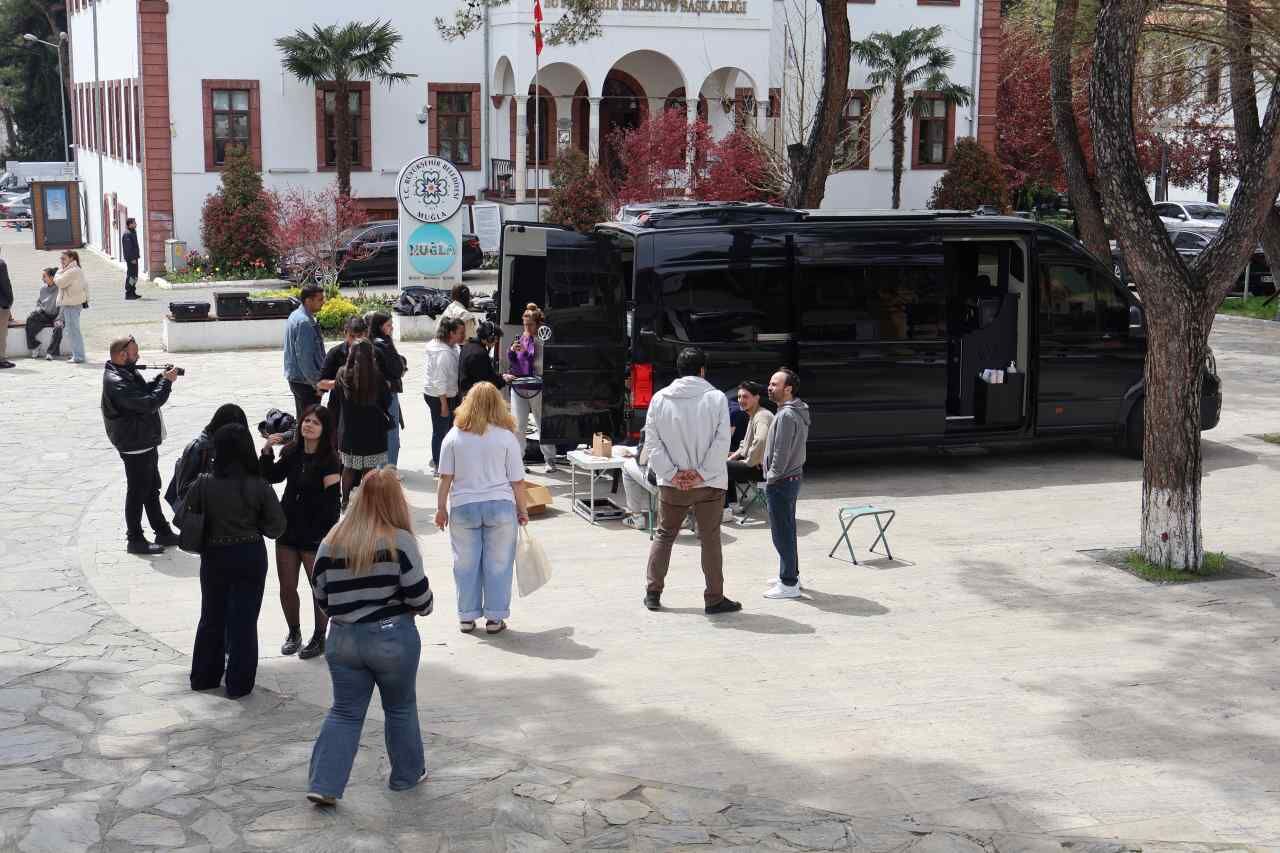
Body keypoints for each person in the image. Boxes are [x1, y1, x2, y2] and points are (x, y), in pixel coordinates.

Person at [308, 468, 433, 806]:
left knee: (345, 711)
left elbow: (321, 597)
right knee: (400, 707)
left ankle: (325, 783)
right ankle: (406, 776)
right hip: (392, 639)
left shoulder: (331, 541)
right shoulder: (400, 541)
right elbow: (420, 599)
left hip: (344, 639)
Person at [189, 423, 287, 698]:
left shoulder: (204, 483)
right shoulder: (258, 485)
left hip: (214, 555)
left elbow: (188, 517)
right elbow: (277, 527)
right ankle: (239, 684)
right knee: (243, 621)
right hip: (249, 555)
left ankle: (205, 676)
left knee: (211, 615)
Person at [641, 347, 740, 615]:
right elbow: (722, 441)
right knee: (710, 539)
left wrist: (673, 473)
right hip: (709, 483)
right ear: (702, 370)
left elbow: (652, 441)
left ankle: (653, 592)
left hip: (672, 484)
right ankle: (714, 598)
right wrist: (701, 474)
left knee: (664, 535)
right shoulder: (716, 398)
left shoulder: (660, 398)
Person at [434, 382, 529, 635]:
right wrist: (523, 510)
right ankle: (495, 618)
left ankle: (467, 617)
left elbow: (445, 478)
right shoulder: (506, 437)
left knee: (464, 564)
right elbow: (517, 481)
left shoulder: (454, 436)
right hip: (500, 506)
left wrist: (441, 509)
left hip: (464, 507)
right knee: (498, 564)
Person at [261, 404, 341, 660]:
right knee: (287, 586)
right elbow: (272, 476)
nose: (308, 425)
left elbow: (333, 503)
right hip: (288, 528)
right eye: (306, 421)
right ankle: (293, 632)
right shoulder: (292, 451)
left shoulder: (330, 460)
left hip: (314, 533)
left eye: (315, 423)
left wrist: (324, 535)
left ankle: (319, 636)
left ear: (324, 429)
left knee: (317, 588)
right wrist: (266, 451)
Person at [101, 336, 182, 555]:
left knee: (150, 488)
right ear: (122, 355)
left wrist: (160, 378)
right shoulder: (116, 381)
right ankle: (134, 539)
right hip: (134, 444)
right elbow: (148, 403)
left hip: (143, 441)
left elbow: (143, 391)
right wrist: (166, 383)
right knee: (138, 491)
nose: (138, 356)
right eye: (135, 353)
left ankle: (162, 531)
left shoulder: (125, 372)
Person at [762, 368, 811, 600]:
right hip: (789, 479)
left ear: (788, 388)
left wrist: (771, 478)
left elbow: (780, 454)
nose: (770, 388)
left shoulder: (787, 415)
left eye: (775, 384)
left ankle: (789, 583)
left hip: (781, 481)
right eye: (770, 384)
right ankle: (790, 574)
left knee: (782, 533)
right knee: (787, 531)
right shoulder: (792, 411)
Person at [165, 403, 250, 512]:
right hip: (203, 515)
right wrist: (214, 480)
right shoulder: (197, 448)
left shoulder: (234, 444)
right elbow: (183, 491)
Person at [336, 338, 391, 507]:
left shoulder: (342, 374)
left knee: (349, 468)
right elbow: (386, 401)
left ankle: (345, 500)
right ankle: (367, 503)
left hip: (350, 431)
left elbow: (338, 398)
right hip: (373, 431)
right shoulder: (378, 377)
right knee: (370, 469)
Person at [506, 303, 559, 474]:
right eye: (525, 324)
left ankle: (550, 459)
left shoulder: (544, 338)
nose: (527, 327)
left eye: (530, 324)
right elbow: (514, 361)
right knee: (518, 424)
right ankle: (517, 461)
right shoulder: (522, 338)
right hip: (521, 385)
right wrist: (512, 350)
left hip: (538, 385)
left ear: (538, 324)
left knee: (541, 423)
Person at [726, 380, 774, 516]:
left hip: (762, 469)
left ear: (756, 397)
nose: (741, 400)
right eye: (739, 397)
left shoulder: (762, 416)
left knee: (720, 467)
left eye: (745, 397)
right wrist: (732, 457)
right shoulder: (754, 414)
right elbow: (745, 445)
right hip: (756, 463)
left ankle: (726, 507)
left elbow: (761, 440)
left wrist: (749, 461)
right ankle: (732, 503)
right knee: (722, 461)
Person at [423, 317, 464, 473]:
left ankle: (445, 460)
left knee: (448, 430)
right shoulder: (443, 353)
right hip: (439, 396)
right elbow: (439, 381)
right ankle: (438, 464)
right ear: (451, 333)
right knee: (440, 431)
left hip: (447, 394)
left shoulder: (452, 347)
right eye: (460, 333)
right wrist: (444, 405)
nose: (463, 335)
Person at [368, 311, 407, 471]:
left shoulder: (372, 342)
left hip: (378, 394)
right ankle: (388, 471)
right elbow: (397, 369)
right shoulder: (383, 344)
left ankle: (382, 468)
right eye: (388, 325)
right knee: (391, 435)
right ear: (380, 326)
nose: (391, 328)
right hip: (387, 394)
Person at [284, 283, 327, 421]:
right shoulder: (304, 322)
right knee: (310, 423)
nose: (323, 302)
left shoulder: (296, 315)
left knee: (303, 421)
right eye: (320, 299)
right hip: (306, 383)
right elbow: (305, 358)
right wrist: (317, 383)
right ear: (308, 300)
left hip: (298, 379)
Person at [459, 321, 512, 398]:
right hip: (475, 398)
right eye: (496, 338)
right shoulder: (479, 354)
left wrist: (501, 376)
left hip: (467, 395)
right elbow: (485, 382)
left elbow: (484, 373)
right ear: (490, 338)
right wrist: (503, 380)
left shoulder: (467, 346)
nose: (496, 341)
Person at [54, 250, 88, 364]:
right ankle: (77, 355)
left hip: (72, 304)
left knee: (73, 331)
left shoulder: (72, 271)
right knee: (71, 330)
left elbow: (60, 282)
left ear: (71, 258)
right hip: (71, 303)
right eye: (61, 259)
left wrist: (58, 272)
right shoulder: (71, 270)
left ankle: (79, 356)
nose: (61, 261)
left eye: (63, 259)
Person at [25, 267, 63, 359]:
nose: (42, 279)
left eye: (44, 276)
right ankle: (34, 346)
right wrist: (37, 309)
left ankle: (51, 353)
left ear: (52, 277)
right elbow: (39, 302)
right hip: (45, 314)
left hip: (57, 315)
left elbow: (63, 305)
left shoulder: (60, 288)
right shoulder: (43, 289)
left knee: (58, 327)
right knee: (30, 319)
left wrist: (60, 318)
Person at [619, 441, 657, 531]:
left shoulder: (653, 427)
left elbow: (642, 460)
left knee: (627, 465)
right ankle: (683, 516)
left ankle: (637, 517)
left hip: (664, 482)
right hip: (691, 481)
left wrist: (636, 454)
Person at [0, 247, 13, 369]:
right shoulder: (1, 264)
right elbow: (5, 284)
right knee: (1, 333)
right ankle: (1, 360)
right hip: (1, 304)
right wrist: (9, 300)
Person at [122, 217, 141, 300]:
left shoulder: (133, 232)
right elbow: (128, 249)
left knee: (135, 276)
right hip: (131, 259)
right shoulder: (127, 234)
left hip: (135, 258)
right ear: (130, 224)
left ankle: (133, 291)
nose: (136, 224)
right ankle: (128, 293)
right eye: (134, 223)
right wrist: (132, 258)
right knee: (131, 276)